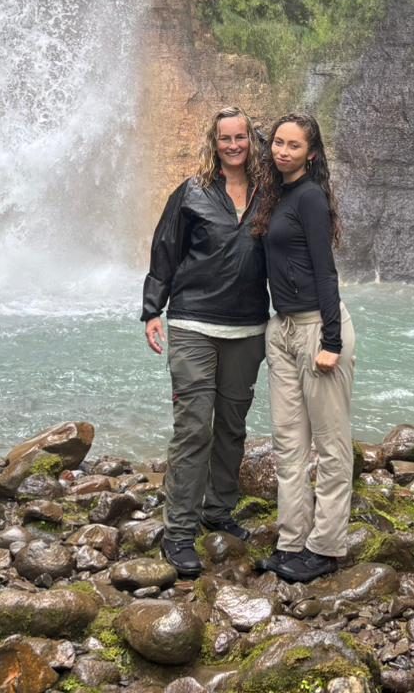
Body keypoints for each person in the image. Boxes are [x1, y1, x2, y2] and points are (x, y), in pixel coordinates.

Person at [141, 106, 269, 578]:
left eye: (241, 137)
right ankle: (177, 532)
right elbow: (165, 250)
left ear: (251, 141)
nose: (233, 146)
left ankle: (218, 510)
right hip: (194, 324)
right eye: (225, 139)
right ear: (213, 143)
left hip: (248, 328)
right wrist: (153, 309)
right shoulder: (192, 193)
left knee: (231, 426)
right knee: (194, 427)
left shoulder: (268, 194)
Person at [253, 111, 355, 584]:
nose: (282, 151)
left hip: (317, 328)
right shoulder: (276, 194)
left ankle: (327, 546)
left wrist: (331, 341)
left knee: (331, 445)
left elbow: (325, 270)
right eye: (277, 143)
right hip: (283, 328)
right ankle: (292, 538)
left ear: (310, 154)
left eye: (293, 146)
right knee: (288, 443)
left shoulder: (310, 197)